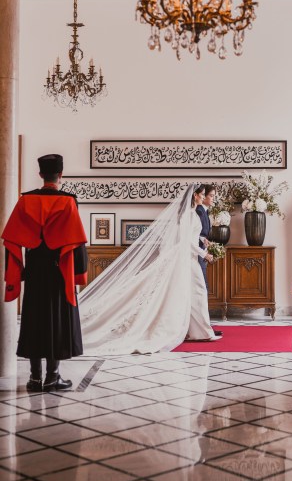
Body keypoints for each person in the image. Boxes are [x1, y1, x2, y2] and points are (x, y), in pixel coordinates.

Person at [78, 183, 220, 355]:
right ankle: (201, 331)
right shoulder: (189, 214)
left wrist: (203, 242)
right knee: (197, 291)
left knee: (193, 293)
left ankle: (200, 331)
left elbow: (192, 236)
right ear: (195, 195)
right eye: (202, 194)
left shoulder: (191, 214)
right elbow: (187, 241)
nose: (204, 197)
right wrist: (204, 254)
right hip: (186, 258)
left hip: (187, 258)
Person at [2, 154, 88, 392]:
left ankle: (34, 378)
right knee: (57, 321)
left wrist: (16, 273)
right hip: (59, 270)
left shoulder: (25, 201)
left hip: (34, 270)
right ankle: (53, 377)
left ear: (40, 174)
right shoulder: (69, 201)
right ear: (60, 175)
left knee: (33, 319)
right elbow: (77, 241)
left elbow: (11, 239)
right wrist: (79, 273)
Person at [195, 184, 223, 337]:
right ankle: (204, 326)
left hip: (201, 253)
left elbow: (200, 234)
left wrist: (206, 242)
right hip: (197, 255)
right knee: (202, 289)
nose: (213, 198)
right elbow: (193, 234)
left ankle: (205, 325)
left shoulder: (204, 211)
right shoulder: (199, 211)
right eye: (211, 196)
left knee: (202, 289)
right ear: (203, 197)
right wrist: (204, 245)